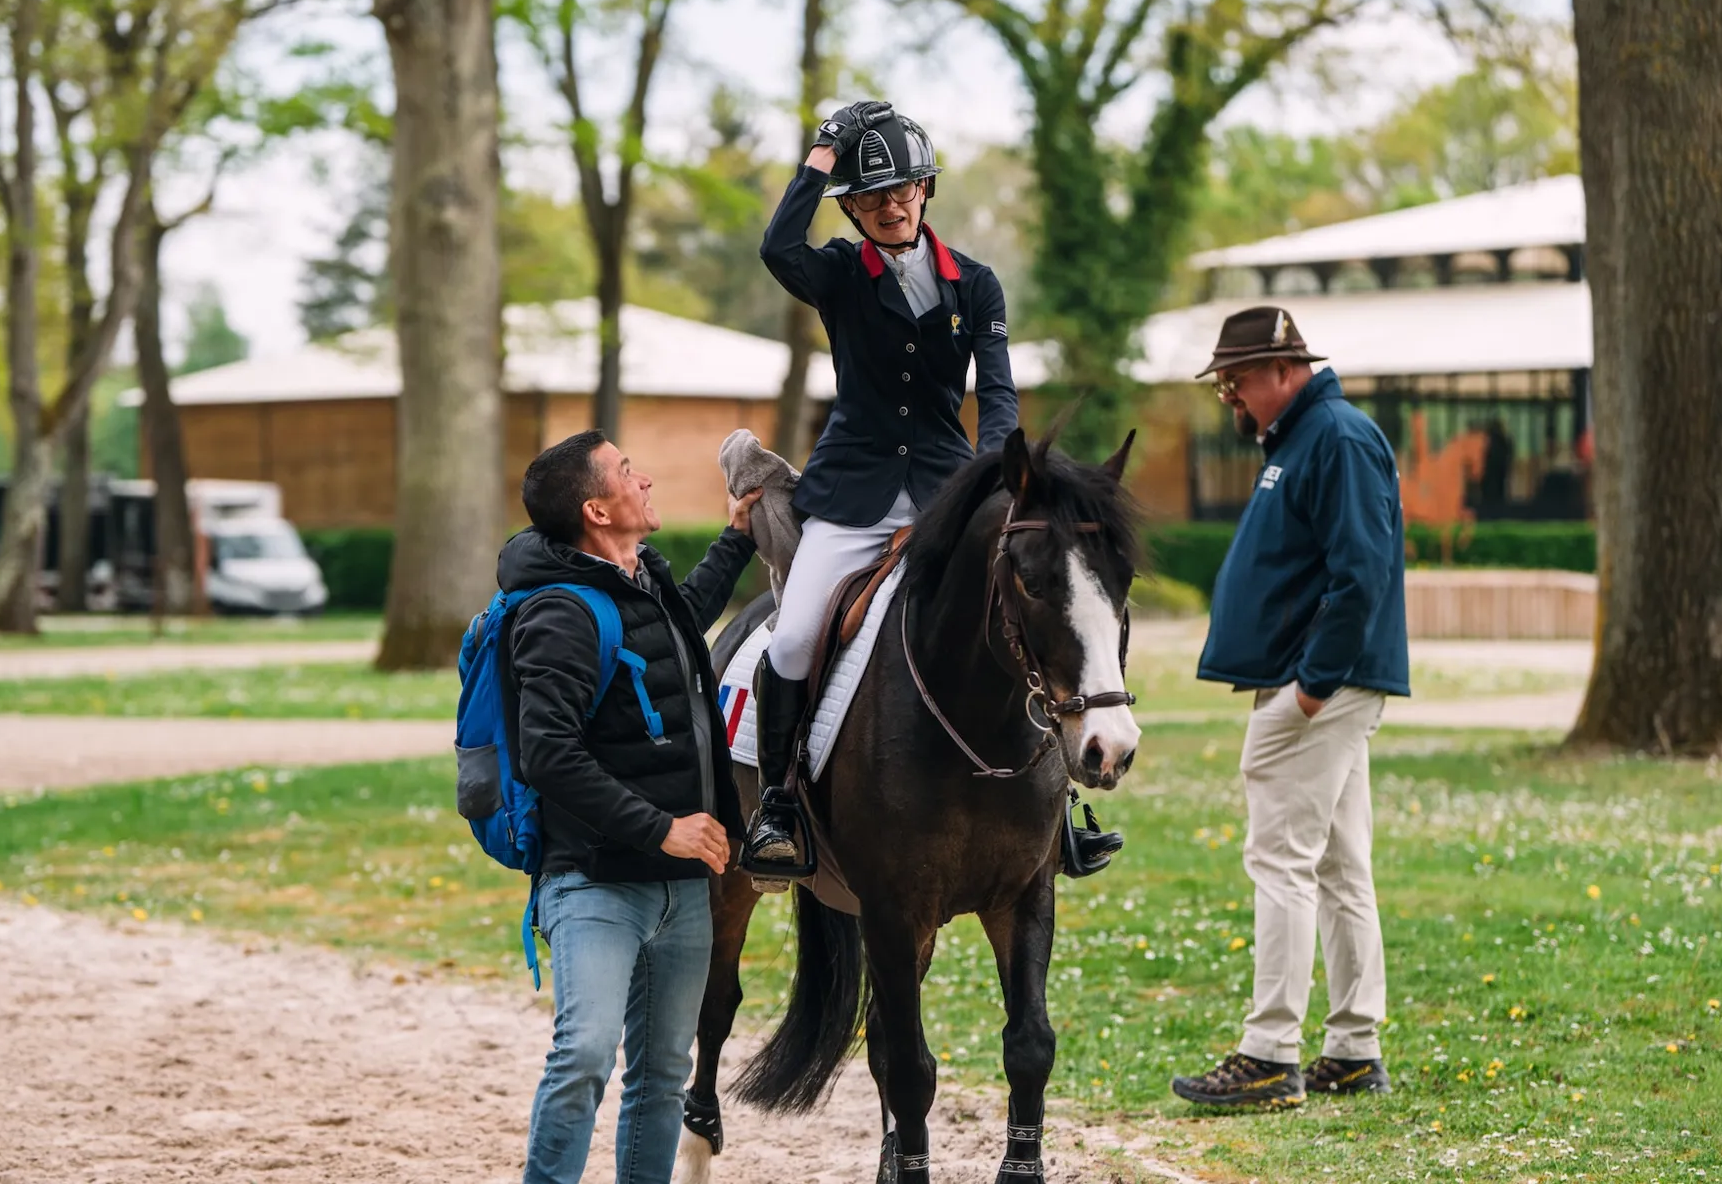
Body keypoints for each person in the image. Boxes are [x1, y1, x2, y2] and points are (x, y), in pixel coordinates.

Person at [747, 98, 1116, 881]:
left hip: (949, 488)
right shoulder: (841, 275)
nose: (891, 205)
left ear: (926, 190)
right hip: (852, 493)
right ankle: (778, 803)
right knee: (791, 637)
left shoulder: (976, 285)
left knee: (1016, 621)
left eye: (904, 189)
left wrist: (996, 476)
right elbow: (778, 246)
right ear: (850, 208)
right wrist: (821, 156)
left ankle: (1059, 818)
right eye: (872, 197)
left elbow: (1001, 392)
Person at [505, 430, 760, 1184]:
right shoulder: (557, 611)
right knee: (584, 1054)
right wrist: (664, 829)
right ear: (596, 508)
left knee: (660, 1074)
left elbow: (684, 618)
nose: (643, 477)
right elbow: (546, 753)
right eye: (625, 471)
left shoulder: (641, 580)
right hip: (594, 881)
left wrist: (738, 538)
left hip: (680, 885)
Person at [1171, 306, 1409, 1109]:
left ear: (1285, 369)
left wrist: (1310, 686)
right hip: (1325, 683)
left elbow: (1361, 572)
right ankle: (1353, 1046)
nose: (1231, 399)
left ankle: (1270, 1051)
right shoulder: (1308, 436)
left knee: (1281, 859)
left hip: (1320, 688)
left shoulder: (1333, 436)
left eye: (1237, 382)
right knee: (1340, 867)